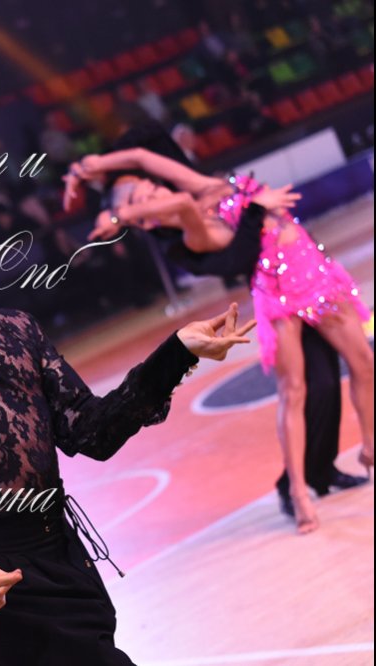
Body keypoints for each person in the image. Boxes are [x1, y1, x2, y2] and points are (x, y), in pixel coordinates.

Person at [0, 174, 255, 665]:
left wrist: (176, 354)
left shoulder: (13, 329)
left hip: (69, 562)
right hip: (0, 593)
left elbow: (91, 431)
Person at [66, 146, 374, 534]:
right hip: (279, 294)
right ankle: (298, 491)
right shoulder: (195, 230)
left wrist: (90, 167)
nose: (157, 190)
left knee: (365, 363)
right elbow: (179, 203)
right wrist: (118, 215)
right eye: (146, 197)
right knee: (294, 390)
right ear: (145, 218)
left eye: (152, 187)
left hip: (316, 271)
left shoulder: (206, 187)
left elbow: (144, 155)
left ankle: (369, 447)